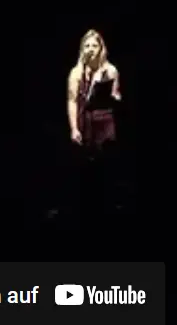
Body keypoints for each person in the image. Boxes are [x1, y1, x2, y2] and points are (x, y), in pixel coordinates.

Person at [65, 29, 123, 219]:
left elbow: (116, 95)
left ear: (101, 48)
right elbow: (72, 101)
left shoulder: (110, 70)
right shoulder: (76, 73)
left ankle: (108, 207)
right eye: (87, 46)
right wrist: (74, 128)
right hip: (86, 120)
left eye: (94, 45)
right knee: (85, 166)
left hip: (104, 120)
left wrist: (115, 97)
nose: (90, 49)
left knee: (106, 166)